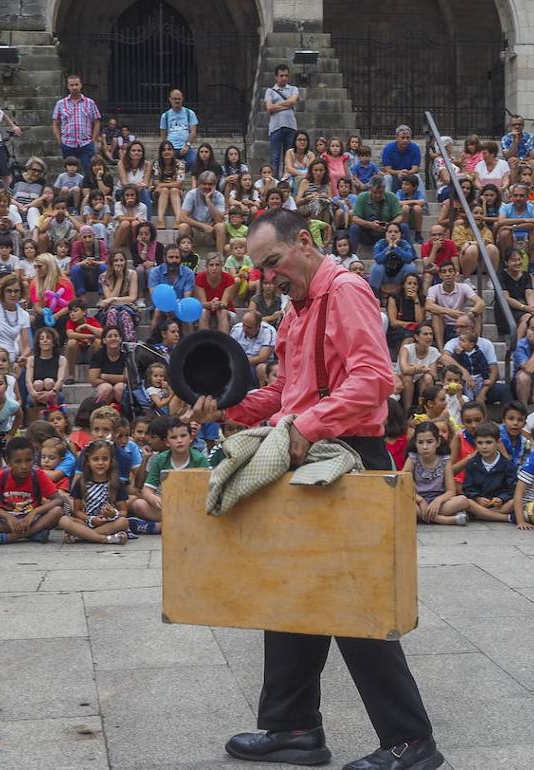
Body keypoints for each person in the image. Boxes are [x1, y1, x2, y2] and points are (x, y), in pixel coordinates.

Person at [186, 208, 441, 769]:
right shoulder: (298, 309)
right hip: (316, 452)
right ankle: (292, 729)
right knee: (291, 591)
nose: (268, 277)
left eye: (273, 262)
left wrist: (306, 425)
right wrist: (228, 407)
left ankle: (412, 742)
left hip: (348, 455)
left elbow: (375, 380)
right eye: (260, 269)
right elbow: (286, 394)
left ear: (305, 242)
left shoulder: (345, 290)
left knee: (353, 605)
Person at [52, 74, 101, 176]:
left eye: (76, 84)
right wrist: (60, 141)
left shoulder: (90, 103)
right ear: (68, 86)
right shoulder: (61, 103)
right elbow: (55, 123)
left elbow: (97, 122)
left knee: (89, 172)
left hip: (86, 143)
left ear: (81, 85)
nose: (74, 87)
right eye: (72, 85)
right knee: (70, 173)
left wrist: (93, 140)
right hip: (68, 143)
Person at [264, 64, 299, 179]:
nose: (284, 78)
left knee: (289, 157)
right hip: (276, 127)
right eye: (281, 75)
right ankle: (274, 181)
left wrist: (276, 106)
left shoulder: (293, 89)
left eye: (286, 76)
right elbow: (269, 108)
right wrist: (286, 105)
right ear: (276, 77)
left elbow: (292, 101)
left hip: (291, 127)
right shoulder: (270, 91)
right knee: (275, 158)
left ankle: (287, 182)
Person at [159, 89, 199, 168]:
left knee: (194, 161)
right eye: (174, 99)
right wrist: (166, 148)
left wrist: (187, 145)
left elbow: (193, 132)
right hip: (171, 148)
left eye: (179, 99)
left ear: (182, 99)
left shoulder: (189, 113)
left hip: (186, 147)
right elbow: (163, 134)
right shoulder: (165, 116)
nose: (177, 101)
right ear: (170, 99)